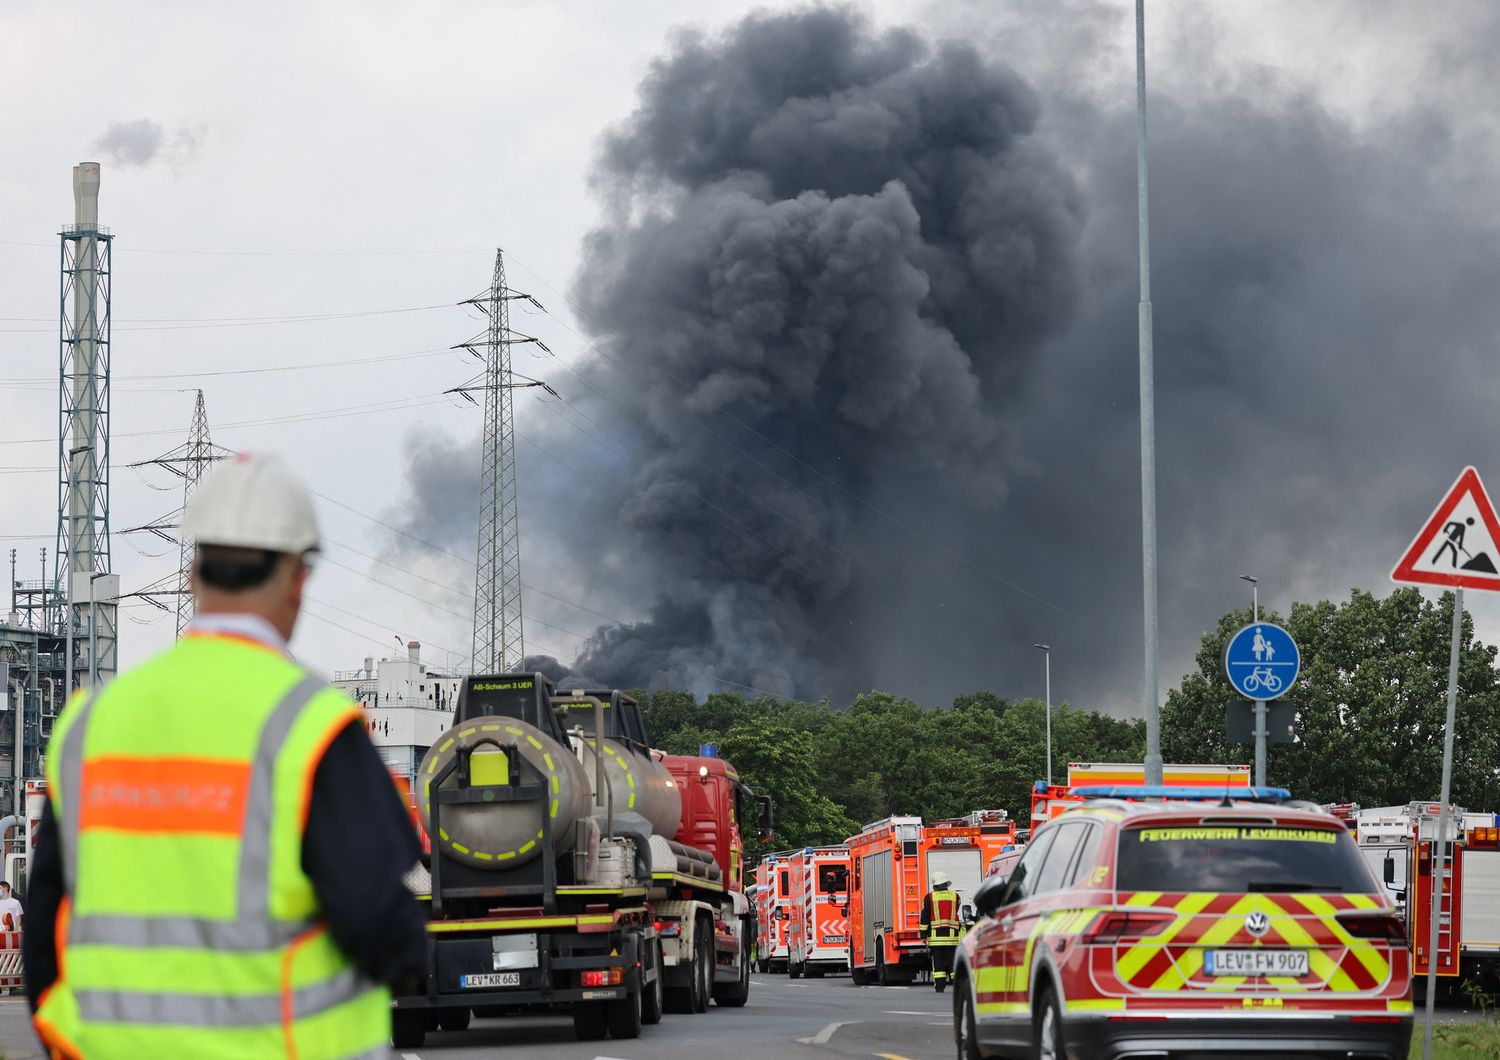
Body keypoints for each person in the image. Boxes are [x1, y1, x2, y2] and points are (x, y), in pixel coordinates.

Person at [24, 453, 428, 1058]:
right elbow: (384, 931)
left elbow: (43, 937)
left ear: (193, 573)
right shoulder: (310, 726)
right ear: (297, 578)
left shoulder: (91, 724)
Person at [919, 870, 963, 993]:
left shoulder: (929, 897)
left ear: (935, 885)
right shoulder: (955, 896)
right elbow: (956, 909)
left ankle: (940, 987)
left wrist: (923, 935)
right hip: (952, 937)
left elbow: (925, 918)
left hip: (936, 938)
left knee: (938, 963)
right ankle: (957, 986)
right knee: (954, 961)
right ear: (946, 884)